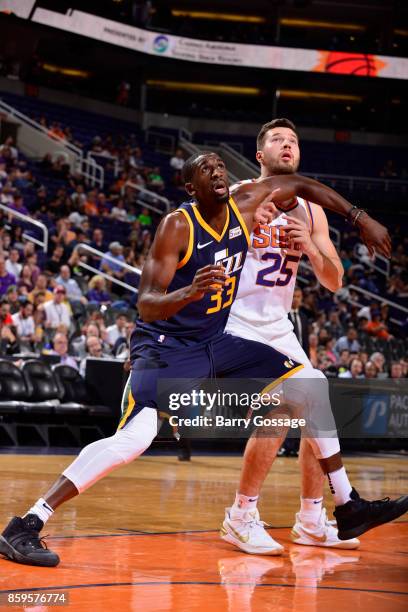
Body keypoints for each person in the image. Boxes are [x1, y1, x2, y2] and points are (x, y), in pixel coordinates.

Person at [0, 151, 400, 568]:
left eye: (220, 167)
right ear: (192, 187)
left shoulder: (244, 210)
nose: (217, 172)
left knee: (310, 384)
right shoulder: (177, 225)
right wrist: (188, 292)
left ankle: (348, 504)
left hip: (215, 342)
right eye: (206, 170)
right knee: (134, 440)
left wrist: (359, 218)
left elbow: (302, 184)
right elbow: (147, 304)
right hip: (165, 345)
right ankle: (26, 524)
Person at [220, 118, 400, 555]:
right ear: (260, 155)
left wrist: (314, 247)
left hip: (279, 326)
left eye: (294, 140)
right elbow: (208, 251)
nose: (288, 144)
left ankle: (312, 519)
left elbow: (335, 280)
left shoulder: (312, 210)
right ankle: (241, 515)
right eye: (278, 139)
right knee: (288, 406)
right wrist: (245, 231)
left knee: (314, 403)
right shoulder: (238, 195)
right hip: (234, 324)